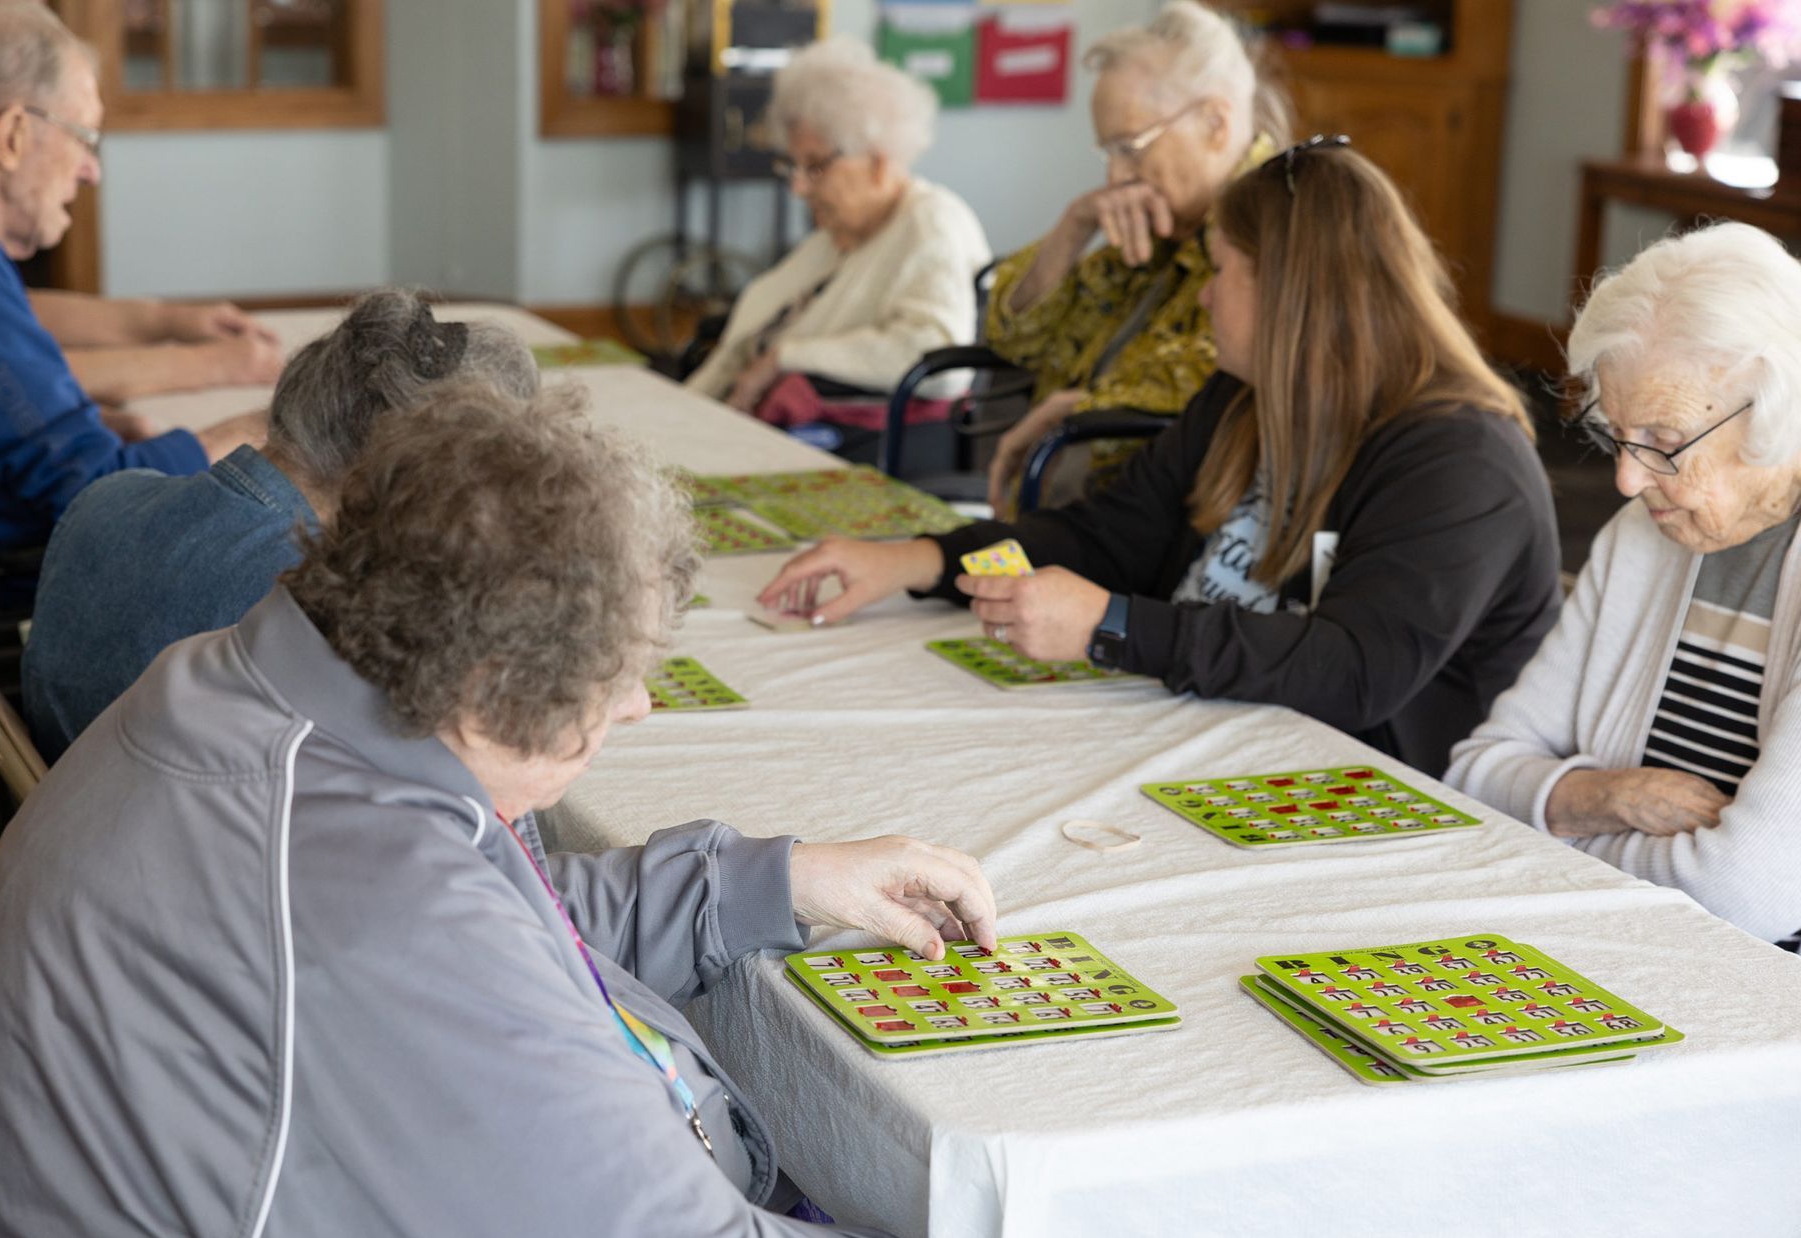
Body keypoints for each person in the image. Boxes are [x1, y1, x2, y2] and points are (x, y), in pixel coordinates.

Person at [0, 382, 995, 1238]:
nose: (637, 710)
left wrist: (775, 879)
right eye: (617, 680)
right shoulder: (378, 903)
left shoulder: (262, 686)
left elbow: (496, 926)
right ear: (486, 695)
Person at [759, 144, 1560, 777]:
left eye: (1220, 271)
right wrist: (923, 559)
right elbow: (1102, 538)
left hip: (1367, 796)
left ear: (1291, 291)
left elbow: (1352, 671)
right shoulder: (1241, 397)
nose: (1205, 298)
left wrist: (1112, 626)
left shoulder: (1462, 461)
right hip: (1212, 737)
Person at [1448, 222, 1801, 946]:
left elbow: (1747, 897)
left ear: (1778, 412)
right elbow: (1476, 774)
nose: (1627, 479)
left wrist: (1558, 830)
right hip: (1613, 950)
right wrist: (1599, 796)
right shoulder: (1648, 534)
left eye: (1665, 444)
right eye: (1617, 434)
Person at [20, 288, 539, 761]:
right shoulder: (313, 611)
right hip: (198, 853)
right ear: (404, 468)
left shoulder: (106, 497)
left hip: (67, 818)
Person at [0, 2, 261, 555]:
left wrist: (79, 424)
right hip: (28, 596)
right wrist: (263, 431)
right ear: (11, 134)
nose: (92, 169)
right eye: (83, 136)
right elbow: (99, 495)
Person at [984, 1, 1284, 513]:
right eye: (1110, 152)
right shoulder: (1150, 220)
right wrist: (1074, 227)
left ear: (1215, 123)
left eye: (1131, 147)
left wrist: (1080, 408)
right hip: (1063, 505)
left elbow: (1230, 372)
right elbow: (1015, 339)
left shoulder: (1279, 222)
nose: (1116, 177)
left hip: (1167, 527)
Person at [684, 35, 990, 456]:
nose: (797, 187)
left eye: (816, 166)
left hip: (844, 443)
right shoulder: (838, 235)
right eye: (792, 165)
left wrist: (786, 357)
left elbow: (940, 362)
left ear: (879, 160)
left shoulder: (931, 221)